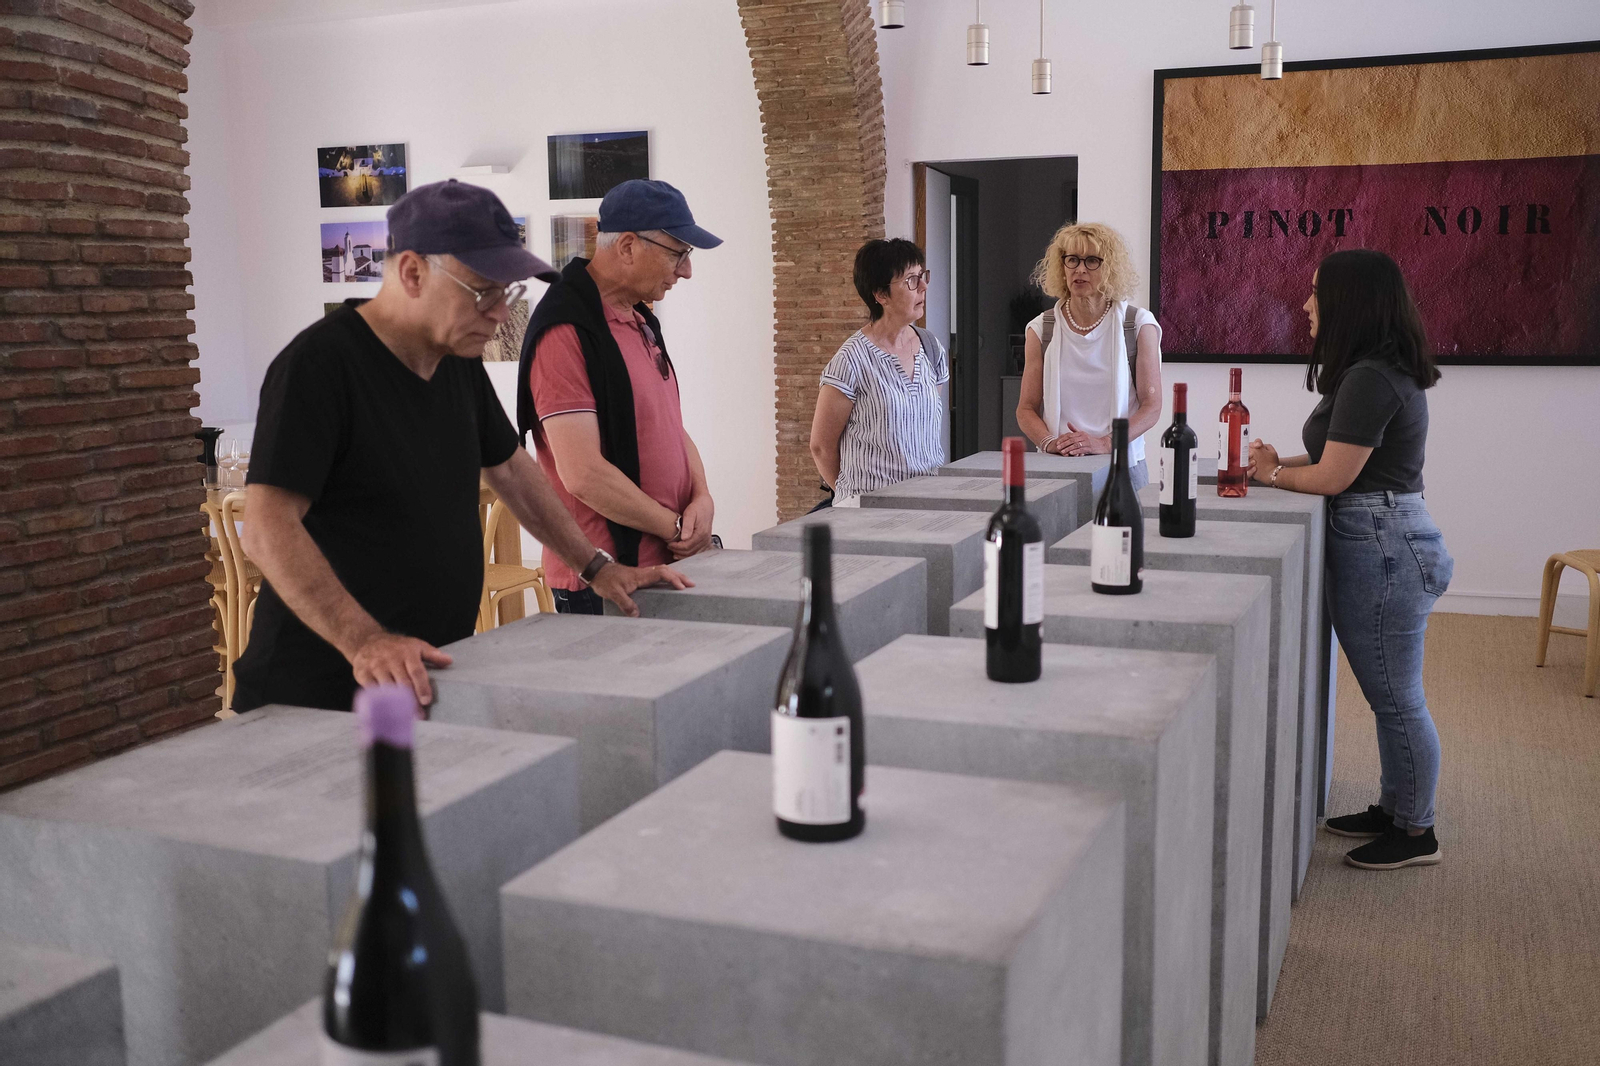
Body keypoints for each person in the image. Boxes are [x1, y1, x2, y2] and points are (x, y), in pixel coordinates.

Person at [236, 180, 689, 713]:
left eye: (507, 293)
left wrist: (598, 568)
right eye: (484, 291)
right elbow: (266, 529)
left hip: (419, 677)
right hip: (315, 690)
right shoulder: (319, 366)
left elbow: (514, 472)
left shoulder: (455, 361)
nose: (500, 314)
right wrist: (365, 640)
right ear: (412, 273)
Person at [1248, 248, 1452, 871]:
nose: (1306, 304)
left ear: (1349, 304)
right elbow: (1345, 457)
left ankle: (1416, 832)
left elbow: (1337, 476)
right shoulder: (1376, 368)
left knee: (1396, 696)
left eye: (1315, 294)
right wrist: (1281, 464)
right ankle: (1395, 807)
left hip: (1383, 543)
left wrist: (1275, 474)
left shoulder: (1371, 376)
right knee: (1386, 691)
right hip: (1383, 534)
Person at [517, 180, 720, 614]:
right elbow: (583, 474)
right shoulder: (566, 331)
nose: (686, 270)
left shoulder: (640, 320)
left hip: (662, 563)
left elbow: (669, 423)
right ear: (628, 246)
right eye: (677, 253)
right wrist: (677, 525)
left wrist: (701, 495)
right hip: (605, 580)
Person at [1016, 222, 1162, 489]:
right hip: (1058, 471)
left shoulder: (1138, 325)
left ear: (1110, 268)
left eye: (1092, 260)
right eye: (1072, 260)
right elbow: (1026, 408)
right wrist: (1050, 443)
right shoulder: (1041, 329)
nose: (1080, 269)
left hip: (1123, 470)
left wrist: (1104, 443)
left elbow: (1151, 408)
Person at [808, 238, 947, 506]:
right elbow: (821, 446)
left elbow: (923, 427)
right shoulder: (851, 359)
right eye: (911, 280)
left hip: (926, 505)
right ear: (881, 295)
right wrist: (851, 498)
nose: (924, 286)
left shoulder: (931, 347)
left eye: (922, 275)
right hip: (868, 515)